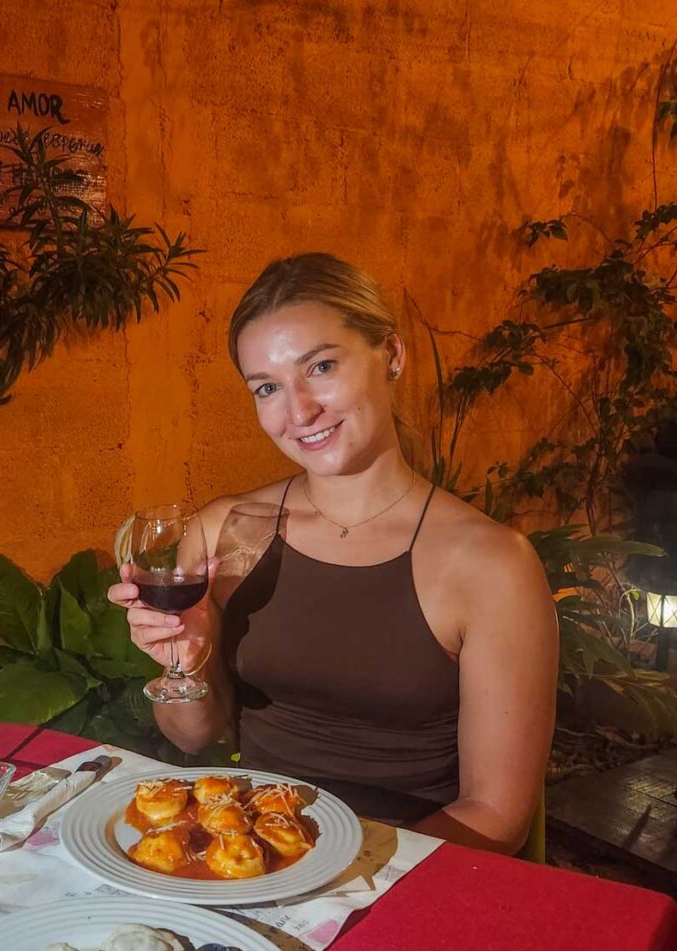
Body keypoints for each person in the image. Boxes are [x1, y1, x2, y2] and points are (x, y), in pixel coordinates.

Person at [108, 253, 558, 854]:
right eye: (267, 388)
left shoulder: (492, 564)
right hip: (251, 857)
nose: (298, 412)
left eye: (320, 367)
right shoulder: (228, 532)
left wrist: (328, 879)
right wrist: (183, 660)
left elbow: (496, 814)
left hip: (406, 875)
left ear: (391, 355)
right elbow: (194, 738)